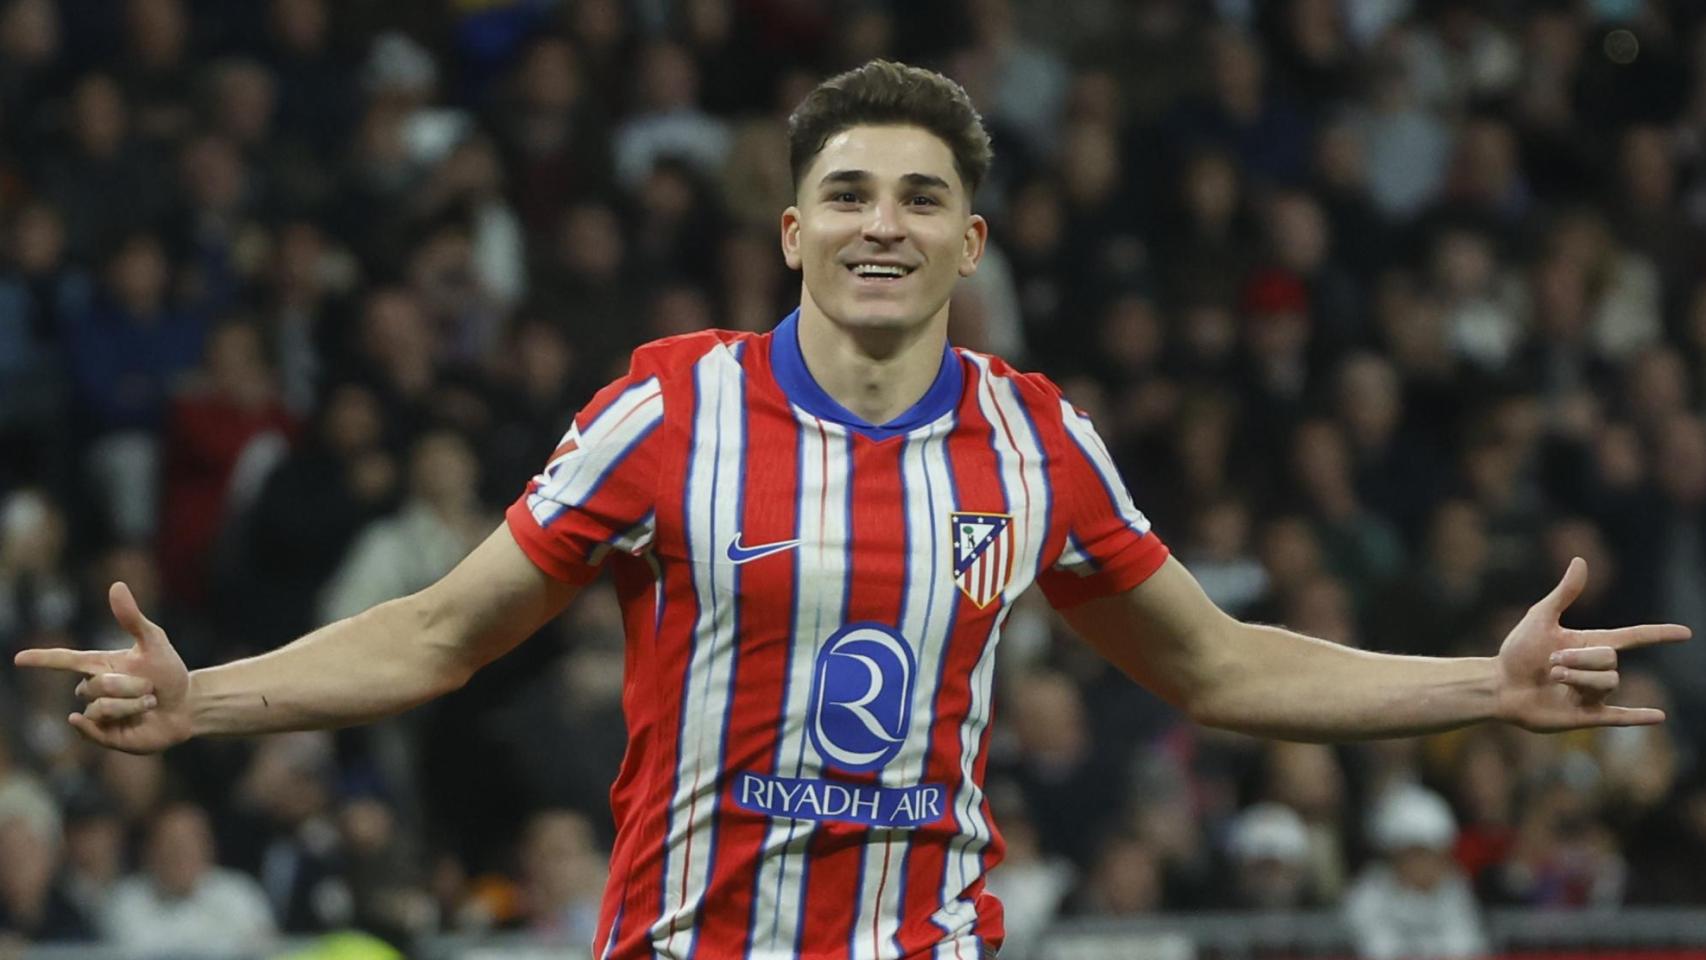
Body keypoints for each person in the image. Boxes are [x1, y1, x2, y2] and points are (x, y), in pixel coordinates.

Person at [14, 60, 1688, 960]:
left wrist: (1483, 686)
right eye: (847, 194)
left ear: (969, 242)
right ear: (792, 232)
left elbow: (1220, 666)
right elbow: (443, 633)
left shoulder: (1036, 438)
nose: (881, 222)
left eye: (919, 197)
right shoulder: (668, 408)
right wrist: (207, 698)